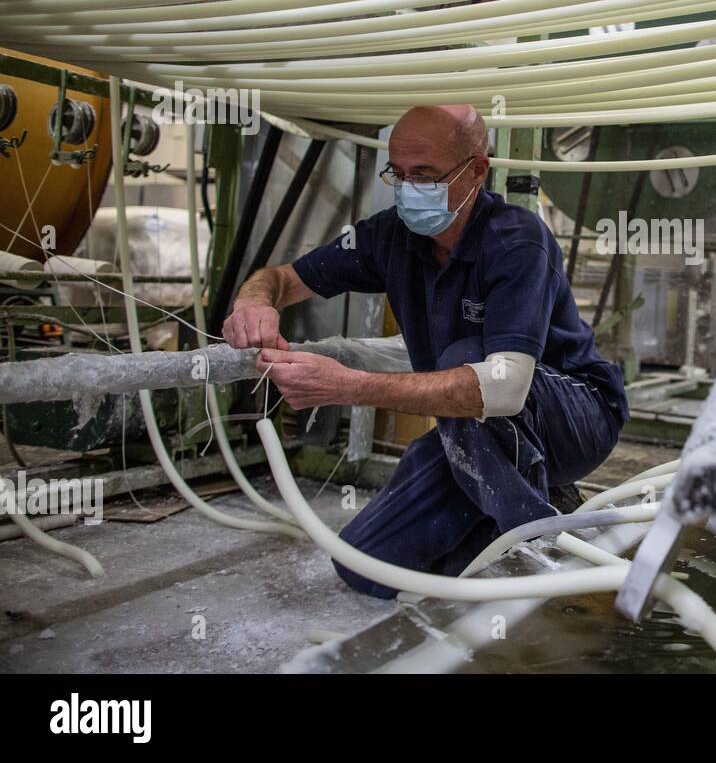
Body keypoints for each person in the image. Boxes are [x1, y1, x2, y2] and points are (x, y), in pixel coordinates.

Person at [223, 104, 627, 596]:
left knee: (468, 362)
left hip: (575, 414)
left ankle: (536, 542)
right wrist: (254, 300)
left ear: (477, 170)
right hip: (480, 433)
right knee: (365, 568)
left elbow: (504, 387)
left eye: (426, 174)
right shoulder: (387, 236)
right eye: (399, 173)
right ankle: (513, 523)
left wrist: (346, 387)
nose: (410, 188)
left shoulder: (517, 240)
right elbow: (284, 278)